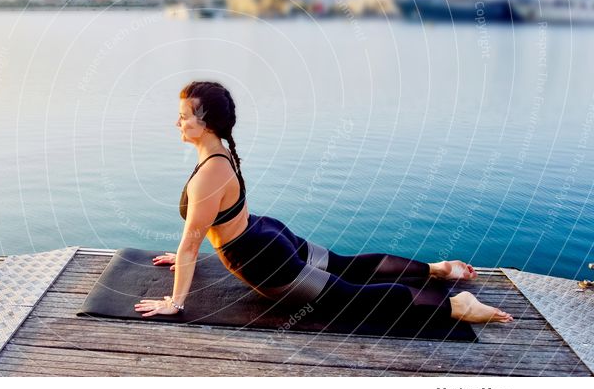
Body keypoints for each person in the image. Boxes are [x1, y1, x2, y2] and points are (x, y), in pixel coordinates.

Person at [134, 81, 513, 328]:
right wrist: (185, 255)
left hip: (262, 259)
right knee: (346, 267)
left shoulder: (207, 172)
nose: (177, 122)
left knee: (346, 299)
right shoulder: (220, 155)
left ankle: (456, 306)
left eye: (183, 117)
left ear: (206, 124)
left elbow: (192, 242)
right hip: (266, 232)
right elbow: (208, 227)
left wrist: (175, 302)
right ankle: (437, 269)